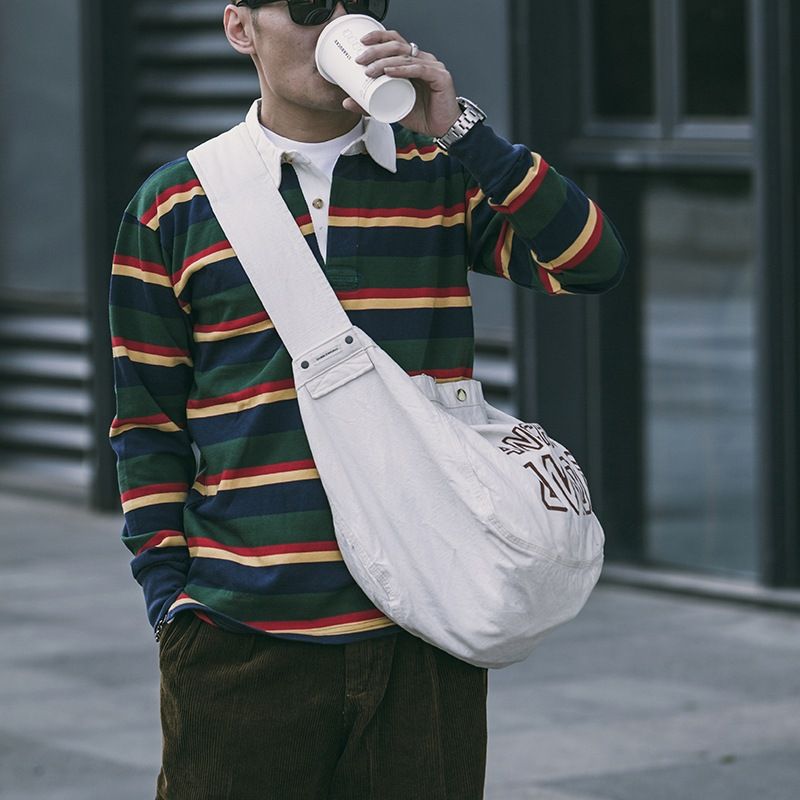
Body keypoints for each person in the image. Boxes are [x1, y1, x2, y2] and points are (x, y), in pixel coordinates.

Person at [109, 1, 627, 798]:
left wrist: (461, 131)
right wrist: (172, 604)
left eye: (361, 6)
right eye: (309, 7)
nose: (339, 27)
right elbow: (147, 424)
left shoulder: (441, 175)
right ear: (241, 29)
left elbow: (591, 262)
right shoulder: (172, 206)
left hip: (426, 628)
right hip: (241, 637)